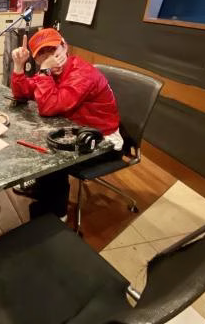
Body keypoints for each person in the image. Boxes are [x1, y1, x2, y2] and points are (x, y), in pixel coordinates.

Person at [10, 28, 123, 219]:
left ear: (65, 46)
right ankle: (43, 190)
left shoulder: (82, 73)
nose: (50, 57)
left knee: (52, 157)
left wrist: (44, 71)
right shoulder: (50, 70)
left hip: (101, 141)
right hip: (74, 129)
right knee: (39, 140)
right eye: (42, 54)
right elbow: (23, 93)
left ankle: (56, 215)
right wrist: (19, 67)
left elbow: (49, 106)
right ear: (36, 59)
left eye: (53, 49)